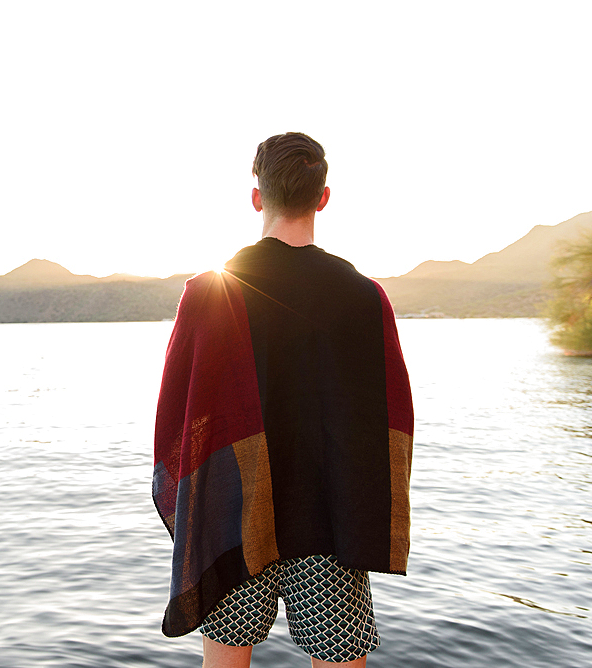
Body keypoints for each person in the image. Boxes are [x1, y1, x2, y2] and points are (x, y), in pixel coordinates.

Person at [152, 133, 413, 667]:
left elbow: (177, 413)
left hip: (232, 514)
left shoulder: (210, 290)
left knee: (226, 659)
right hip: (328, 517)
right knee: (340, 658)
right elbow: (390, 415)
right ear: (323, 198)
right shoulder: (366, 296)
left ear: (256, 198)